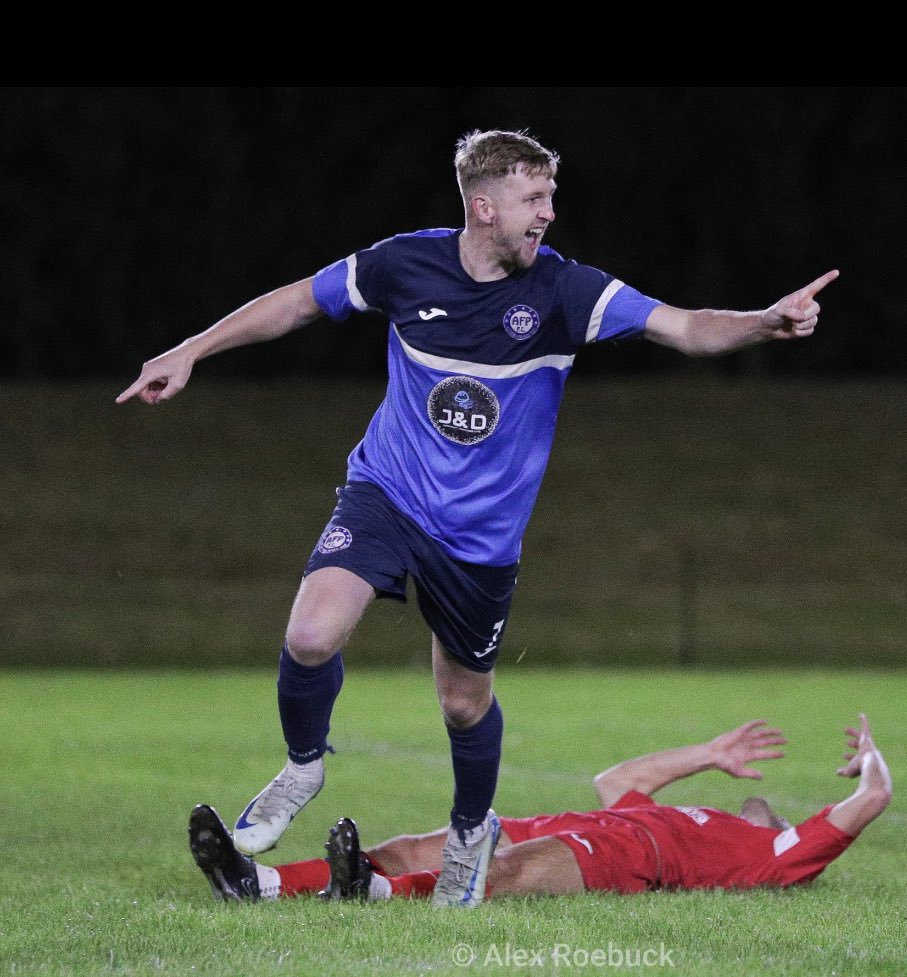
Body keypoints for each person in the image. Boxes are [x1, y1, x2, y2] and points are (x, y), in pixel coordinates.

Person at [118, 129, 839, 908]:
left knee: (462, 701)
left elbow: (687, 326)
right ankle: (301, 765)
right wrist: (193, 347)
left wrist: (764, 321)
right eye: (535, 199)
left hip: (480, 541)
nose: (549, 214)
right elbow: (297, 302)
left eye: (550, 198)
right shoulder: (404, 264)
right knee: (310, 633)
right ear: (483, 206)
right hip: (388, 494)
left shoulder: (566, 291)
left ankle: (469, 833)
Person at [188, 715, 890, 904]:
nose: (760, 803)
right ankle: (262, 884)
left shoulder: (770, 856)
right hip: (575, 824)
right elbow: (617, 777)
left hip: (621, 857)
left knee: (500, 871)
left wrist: (868, 760)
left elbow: (873, 798)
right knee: (406, 844)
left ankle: (362, 890)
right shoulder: (705, 815)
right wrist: (708, 751)